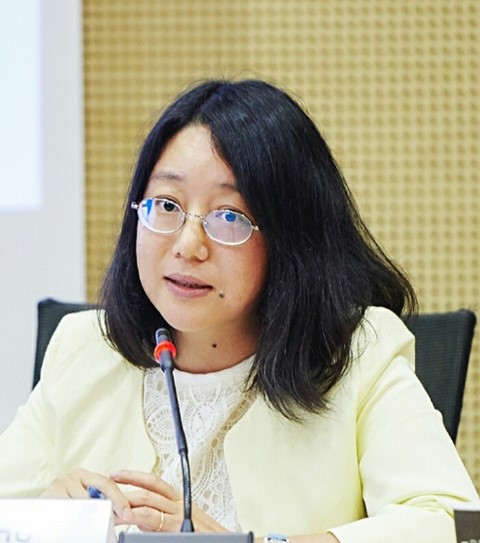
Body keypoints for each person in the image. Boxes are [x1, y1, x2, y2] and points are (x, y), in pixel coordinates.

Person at [0, 78, 477, 543]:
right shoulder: (84, 348)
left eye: (229, 216)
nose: (188, 245)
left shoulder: (358, 356)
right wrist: (44, 518)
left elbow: (444, 524)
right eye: (166, 204)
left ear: (292, 240)